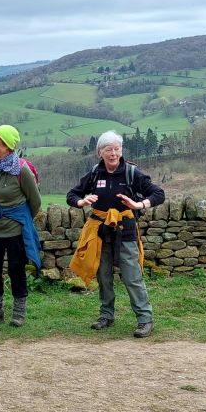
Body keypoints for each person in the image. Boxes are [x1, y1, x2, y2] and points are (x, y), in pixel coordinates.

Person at [66, 130, 165, 338]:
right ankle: (106, 316)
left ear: (121, 150)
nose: (113, 153)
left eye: (117, 149)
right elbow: (72, 195)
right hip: (100, 231)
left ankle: (145, 319)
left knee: (132, 276)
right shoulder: (95, 173)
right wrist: (81, 202)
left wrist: (139, 204)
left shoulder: (132, 173)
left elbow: (158, 194)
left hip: (125, 230)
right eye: (108, 149)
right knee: (103, 275)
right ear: (100, 152)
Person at [0, 125, 41, 327]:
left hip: (16, 230)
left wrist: (18, 219)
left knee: (16, 269)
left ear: (7, 145)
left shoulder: (22, 170)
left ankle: (19, 314)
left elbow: (35, 201)